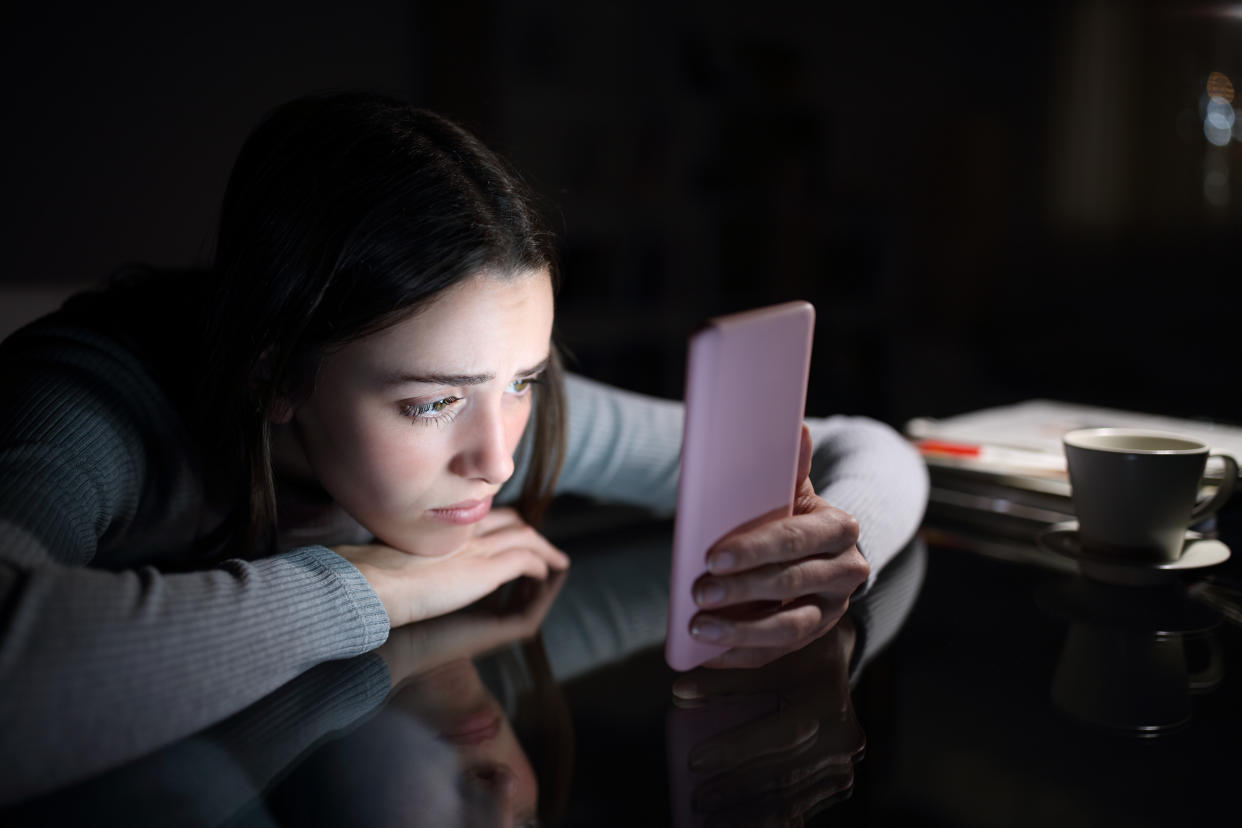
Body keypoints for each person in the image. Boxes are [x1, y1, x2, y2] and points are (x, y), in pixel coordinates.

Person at [0, 91, 928, 805]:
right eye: (432, 402)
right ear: (273, 374)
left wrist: (835, 538)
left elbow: (865, 444)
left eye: (523, 381)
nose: (495, 457)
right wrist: (378, 585)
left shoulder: (495, 419)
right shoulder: (88, 410)